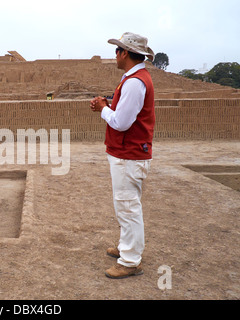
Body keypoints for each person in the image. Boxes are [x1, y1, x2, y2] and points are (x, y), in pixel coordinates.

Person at [90, 32, 155, 279]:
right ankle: (126, 248)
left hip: (129, 154)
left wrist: (104, 109)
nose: (114, 55)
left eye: (117, 51)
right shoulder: (132, 79)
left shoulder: (135, 82)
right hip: (126, 153)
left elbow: (121, 122)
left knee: (127, 206)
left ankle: (130, 260)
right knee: (125, 204)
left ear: (124, 53)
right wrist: (107, 105)